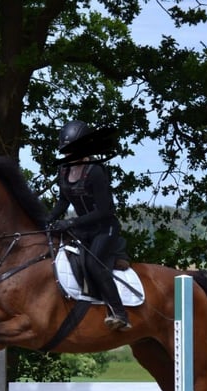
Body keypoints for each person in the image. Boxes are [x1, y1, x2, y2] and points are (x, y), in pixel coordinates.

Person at [47, 120, 131, 331]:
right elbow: (63, 201)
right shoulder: (64, 171)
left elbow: (104, 211)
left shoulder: (95, 171)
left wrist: (71, 221)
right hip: (84, 228)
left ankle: (119, 313)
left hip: (105, 227)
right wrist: (46, 221)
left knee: (94, 263)